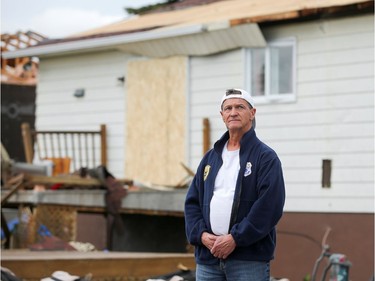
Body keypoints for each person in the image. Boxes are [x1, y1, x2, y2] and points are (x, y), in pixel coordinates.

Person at [184, 88, 285, 281]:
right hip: (208, 258)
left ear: (252, 113)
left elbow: (269, 206)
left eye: (240, 107)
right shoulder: (210, 158)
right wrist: (202, 235)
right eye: (228, 108)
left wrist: (235, 239)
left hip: (248, 260)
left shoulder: (265, 158)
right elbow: (192, 203)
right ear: (222, 116)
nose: (233, 112)